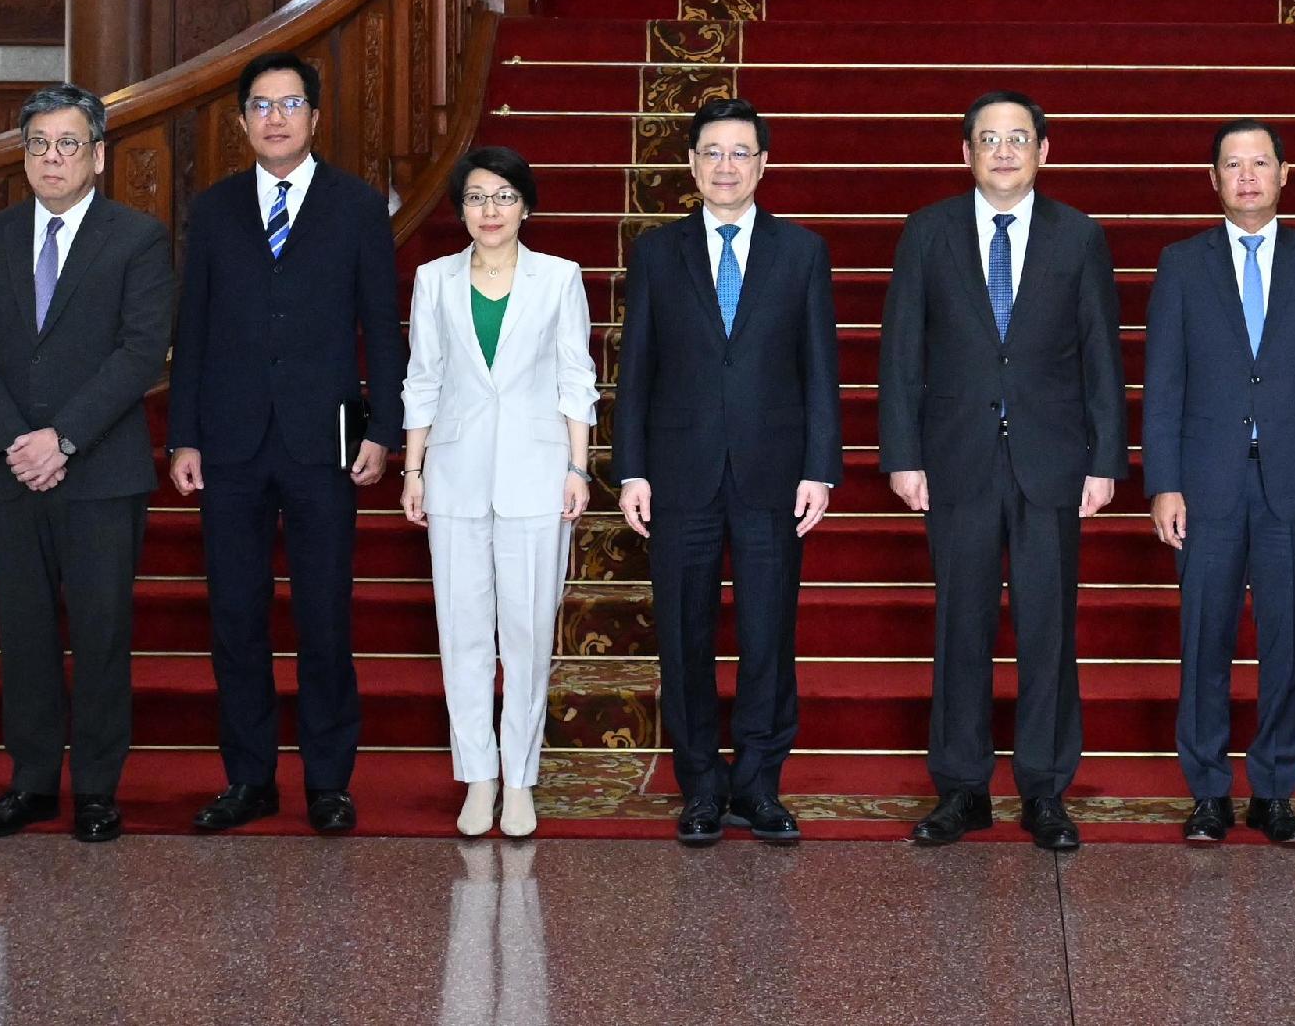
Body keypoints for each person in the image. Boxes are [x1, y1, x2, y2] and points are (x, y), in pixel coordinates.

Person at [167, 52, 407, 836]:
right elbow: (192, 329)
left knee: (325, 620)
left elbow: (382, 325)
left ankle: (330, 782)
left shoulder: (358, 207)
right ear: (242, 122)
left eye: (290, 103)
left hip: (325, 443)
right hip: (230, 444)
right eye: (261, 106)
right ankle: (249, 779)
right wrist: (183, 436)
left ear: (315, 116)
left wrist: (385, 428)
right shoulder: (214, 209)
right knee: (235, 618)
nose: (275, 118)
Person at [882, 91, 1124, 854]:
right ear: (966, 153)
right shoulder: (928, 233)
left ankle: (1046, 790)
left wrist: (1106, 458)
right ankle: (961, 788)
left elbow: (1101, 358)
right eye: (989, 139)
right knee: (961, 626)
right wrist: (902, 454)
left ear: (1044, 151)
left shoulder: (1078, 236)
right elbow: (900, 356)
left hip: (1052, 461)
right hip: (956, 459)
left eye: (1018, 139)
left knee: (1050, 628)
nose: (1004, 151)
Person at [0, 85, 177, 847]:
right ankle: (31, 782)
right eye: (39, 145)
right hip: (10, 470)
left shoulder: (137, 238)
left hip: (101, 474)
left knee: (102, 631)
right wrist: (19, 437)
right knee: (23, 634)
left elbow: (141, 351)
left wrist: (63, 438)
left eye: (68, 144)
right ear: (23, 156)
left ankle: (98, 790)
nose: (53, 158)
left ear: (99, 155)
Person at [613, 96, 840, 849]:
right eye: (711, 152)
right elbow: (634, 370)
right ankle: (701, 787)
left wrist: (820, 468)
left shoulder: (802, 251)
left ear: (764, 164)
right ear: (689, 164)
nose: (725, 165)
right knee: (683, 636)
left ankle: (759, 784)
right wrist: (631, 469)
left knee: (769, 632)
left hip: (776, 474)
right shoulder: (655, 252)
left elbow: (819, 370)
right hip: (678, 474)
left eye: (741, 152)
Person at [1143, 119, 1295, 847]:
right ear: (1213, 179)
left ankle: (1274, 789)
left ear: (1286, 173)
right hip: (1205, 485)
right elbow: (1163, 381)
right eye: (1232, 165)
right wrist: (1162, 483)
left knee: (1286, 643)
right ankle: (1207, 791)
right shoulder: (1181, 263)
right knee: (1204, 640)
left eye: (1260, 163)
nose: (1247, 176)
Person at [400, 146, 596, 840]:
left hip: (537, 477)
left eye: (505, 196)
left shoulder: (559, 278)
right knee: (462, 635)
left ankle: (520, 778)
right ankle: (478, 776)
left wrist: (578, 468)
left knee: (527, 631)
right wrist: (414, 471)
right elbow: (422, 377)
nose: (491, 210)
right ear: (459, 209)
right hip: (453, 475)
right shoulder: (434, 280)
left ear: (527, 206)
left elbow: (578, 378)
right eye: (477, 196)